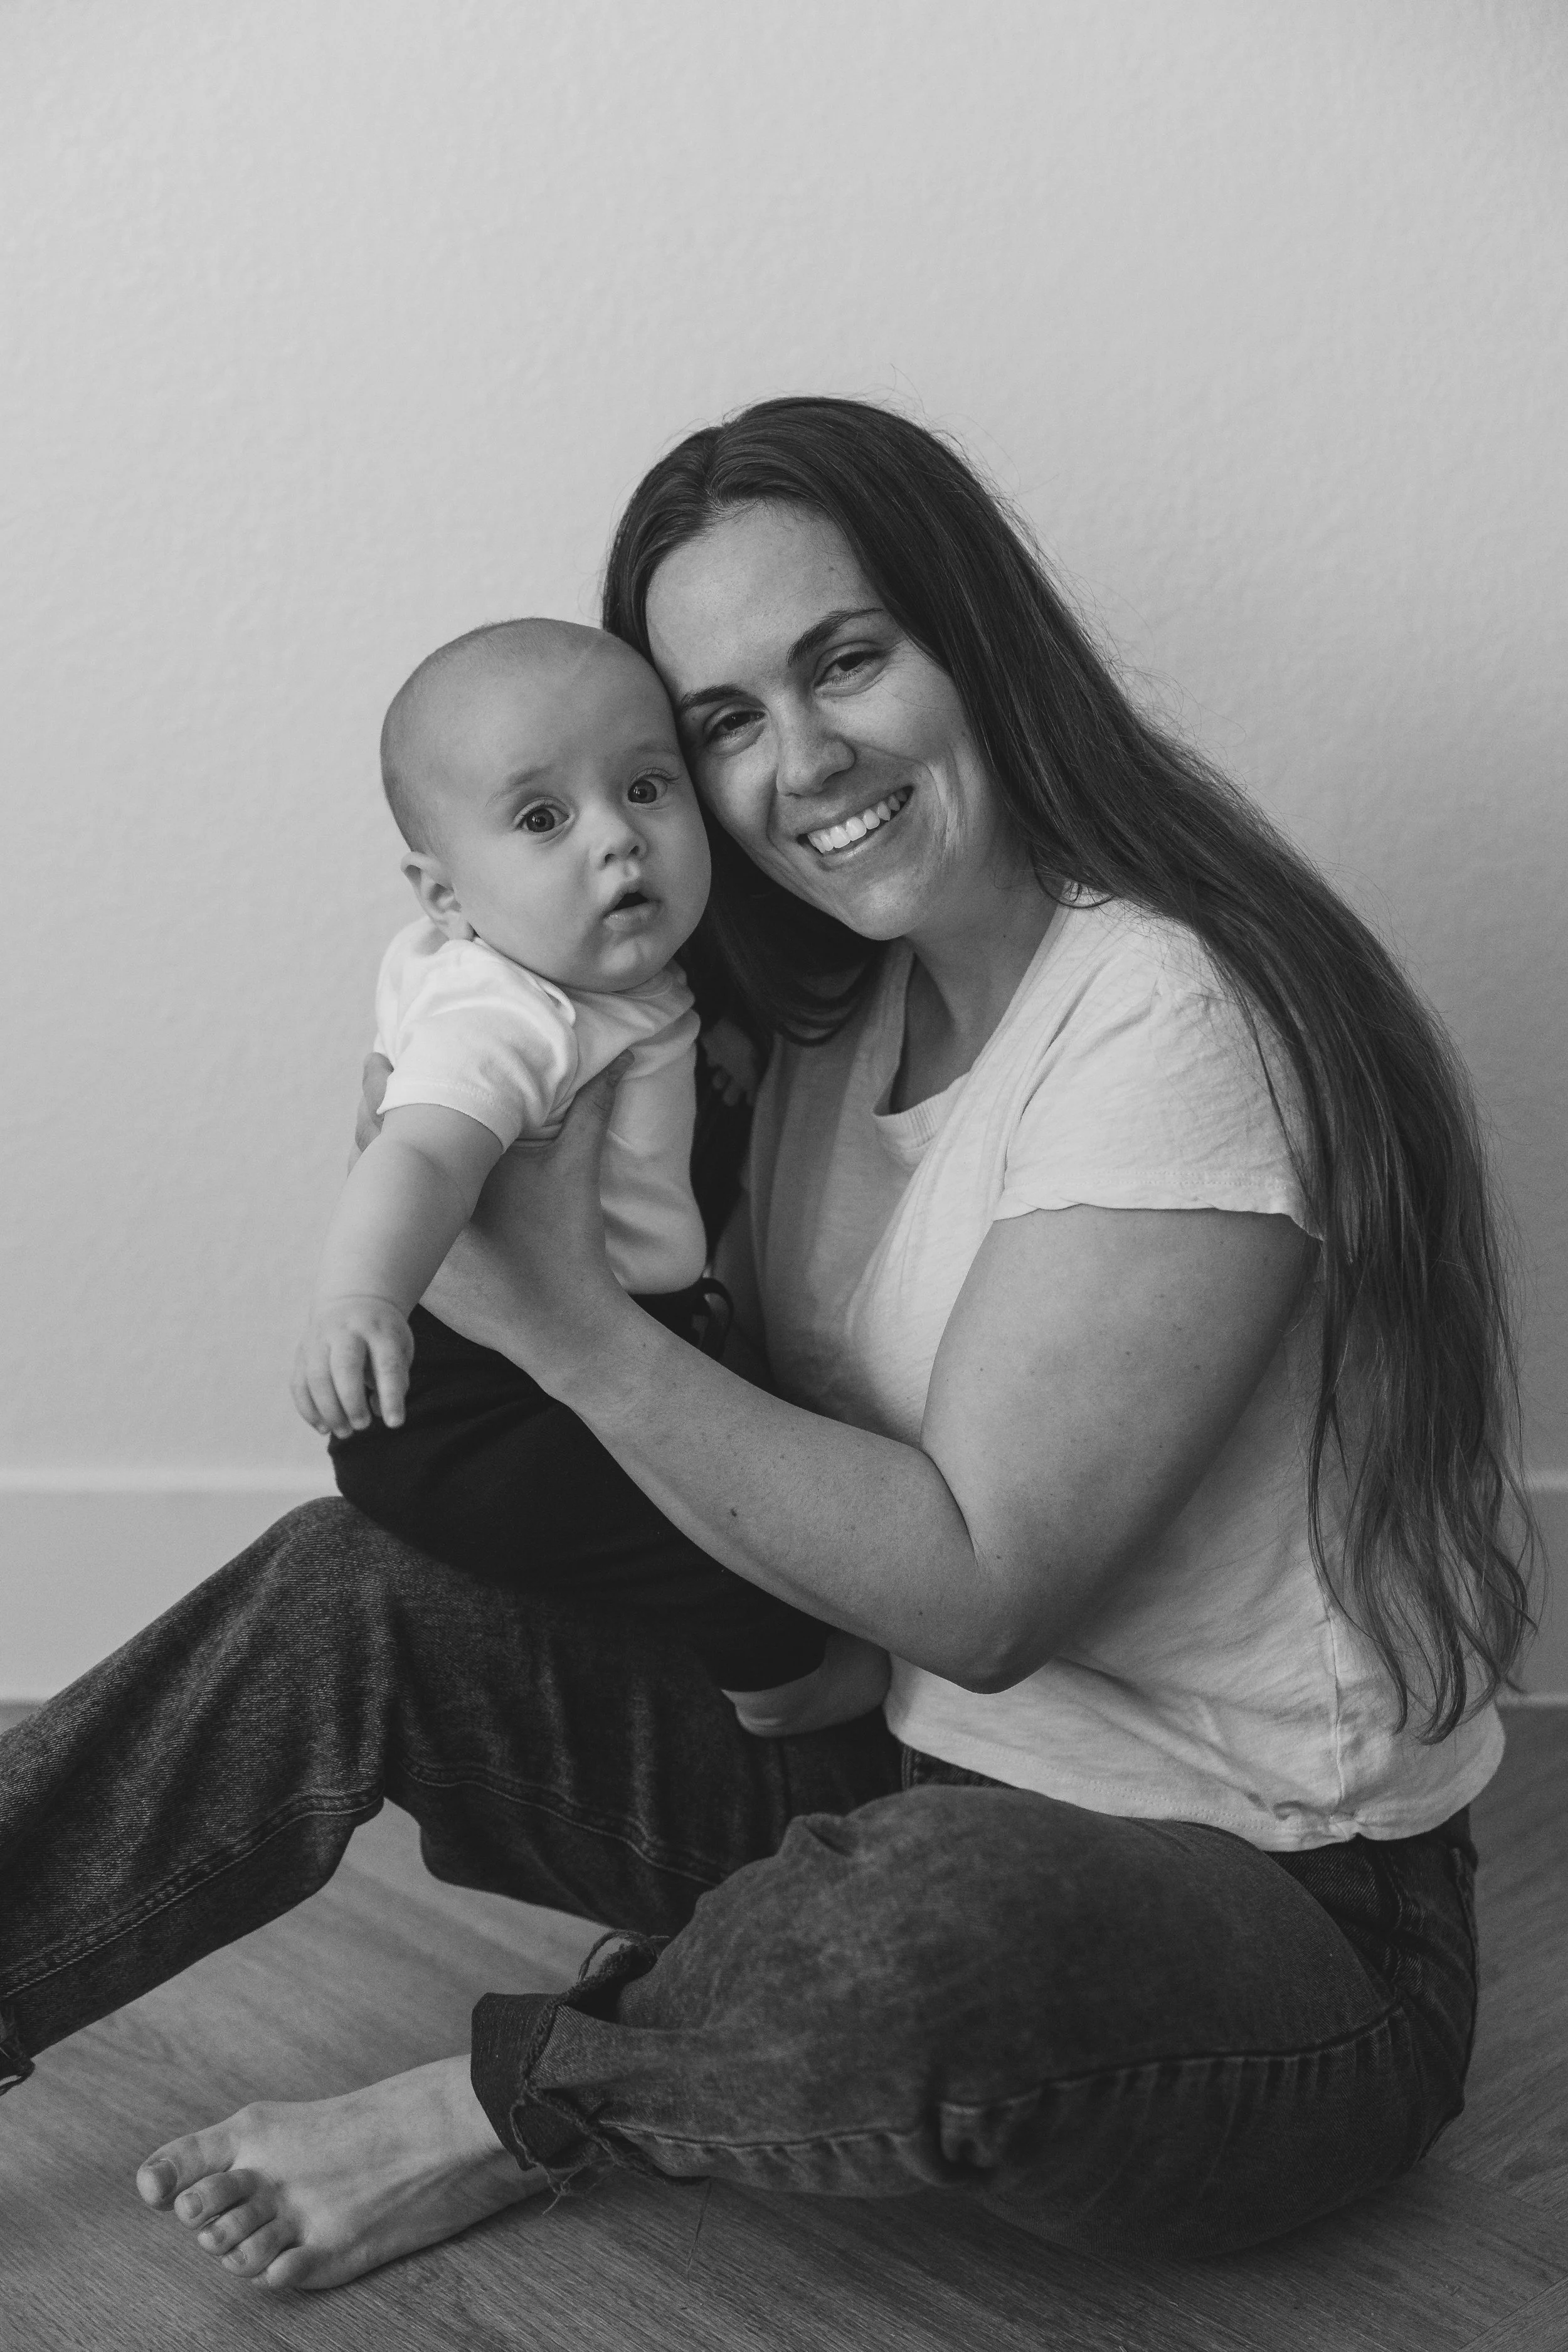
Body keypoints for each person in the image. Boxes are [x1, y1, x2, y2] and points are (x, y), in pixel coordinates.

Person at [0, 398, 1534, 2295]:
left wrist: (553, 1319)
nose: (797, 760)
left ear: (978, 638)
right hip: (874, 1759)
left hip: (1264, 1910)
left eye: (845, 660)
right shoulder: (802, 1010)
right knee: (349, 1583)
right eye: (721, 720)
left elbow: (983, 1597)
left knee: (937, 1925)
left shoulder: (1170, 1010)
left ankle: (516, 2098)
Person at [297, 613, 884, 1732]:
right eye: (541, 817)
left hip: (538, 1368)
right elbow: (415, 1150)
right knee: (710, 1521)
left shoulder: (579, 969)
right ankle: (782, 1686)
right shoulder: (507, 1013)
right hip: (483, 1401)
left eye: (649, 787)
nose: (617, 838)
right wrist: (358, 1300)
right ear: (447, 896)